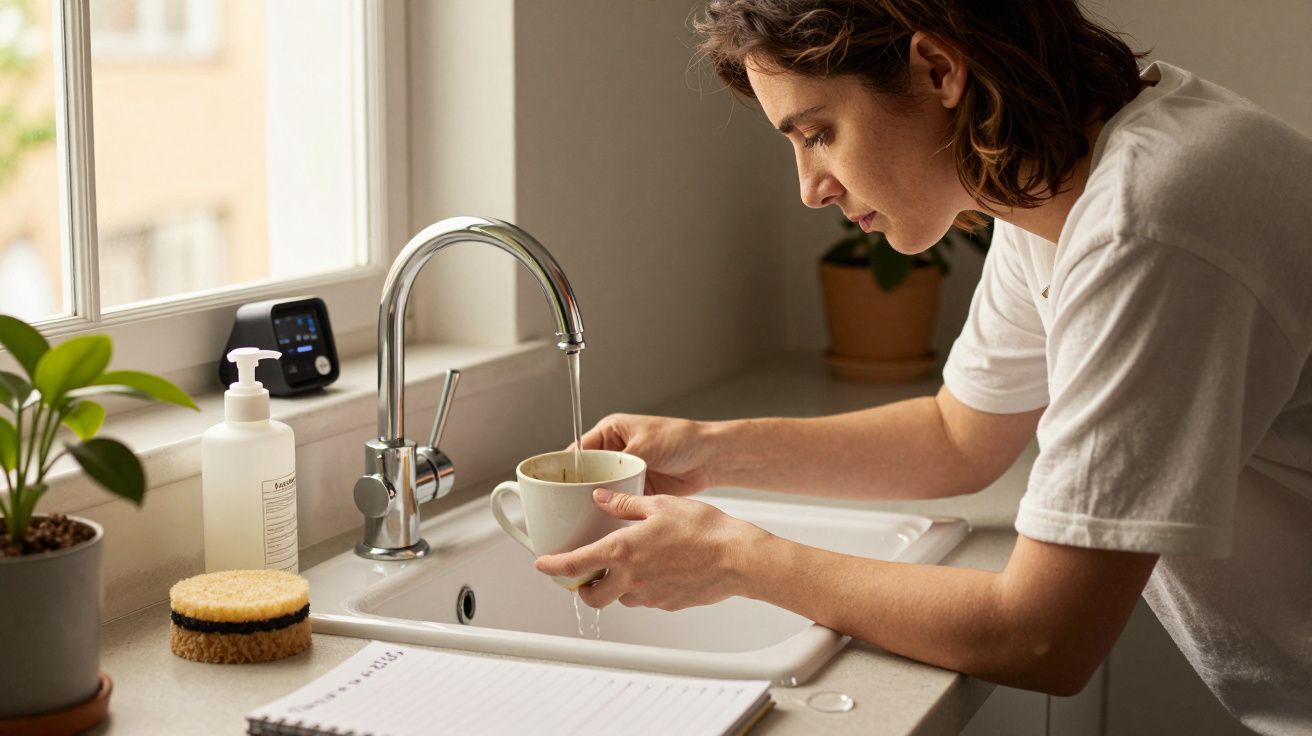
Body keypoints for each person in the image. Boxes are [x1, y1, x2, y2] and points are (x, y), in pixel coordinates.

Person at [532, 1, 1312, 730]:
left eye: (817, 133)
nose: (809, 188)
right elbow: (958, 435)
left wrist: (737, 559)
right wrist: (710, 450)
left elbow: (1044, 636)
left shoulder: (1144, 224)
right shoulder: (1059, 182)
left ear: (938, 71)